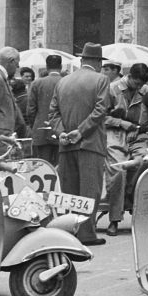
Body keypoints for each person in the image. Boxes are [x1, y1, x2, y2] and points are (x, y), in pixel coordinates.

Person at [49, 42, 111, 246]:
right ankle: (87, 233)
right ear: (97, 62)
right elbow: (100, 110)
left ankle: (70, 231)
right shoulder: (101, 80)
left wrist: (63, 133)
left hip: (66, 145)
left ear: (82, 60)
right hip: (90, 144)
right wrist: (81, 131)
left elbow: (53, 113)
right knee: (90, 190)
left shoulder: (63, 82)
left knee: (69, 191)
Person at [101, 62, 148, 235]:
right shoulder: (111, 89)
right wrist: (123, 123)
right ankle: (114, 218)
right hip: (115, 133)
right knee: (118, 169)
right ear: (129, 77)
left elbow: (147, 118)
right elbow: (101, 117)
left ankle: (131, 205)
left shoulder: (145, 92)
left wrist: (136, 129)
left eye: (141, 85)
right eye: (136, 83)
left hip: (137, 135)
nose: (139, 87)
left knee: (144, 163)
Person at [27, 54, 65, 165]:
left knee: (41, 166)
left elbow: (31, 110)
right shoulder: (66, 82)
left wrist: (35, 124)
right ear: (61, 66)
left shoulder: (36, 83)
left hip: (41, 130)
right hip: (61, 130)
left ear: (47, 67)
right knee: (59, 167)